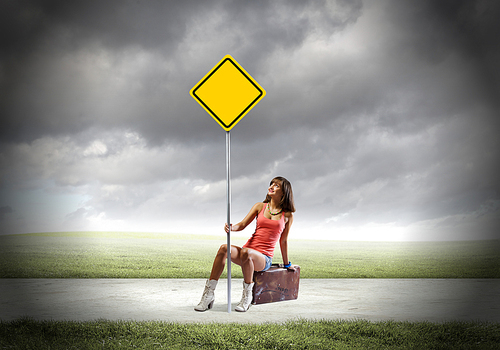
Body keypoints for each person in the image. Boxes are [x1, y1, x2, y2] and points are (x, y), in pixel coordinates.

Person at [195, 176, 296, 312]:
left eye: (276, 185)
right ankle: (209, 294)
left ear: (284, 192)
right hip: (246, 253)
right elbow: (242, 224)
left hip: (263, 258)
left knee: (246, 252)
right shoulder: (259, 206)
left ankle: (247, 295)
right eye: (271, 184)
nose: (271, 187)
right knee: (224, 248)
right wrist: (232, 228)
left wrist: (286, 264)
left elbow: (283, 241)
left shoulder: (287, 215)